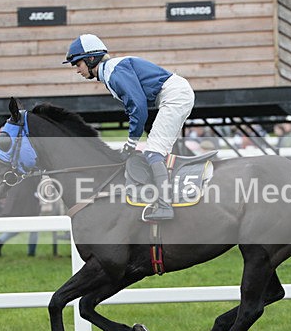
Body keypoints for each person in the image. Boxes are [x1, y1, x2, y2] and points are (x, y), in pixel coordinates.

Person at [64, 34, 194, 221]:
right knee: (157, 150)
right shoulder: (111, 71)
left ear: (90, 59)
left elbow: (138, 107)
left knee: (153, 152)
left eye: (77, 64)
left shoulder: (113, 72)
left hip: (173, 96)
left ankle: (165, 206)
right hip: (172, 95)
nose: (77, 70)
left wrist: (131, 142)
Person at [0, 175, 42, 257]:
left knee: (19, 227)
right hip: (28, 199)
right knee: (34, 228)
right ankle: (31, 252)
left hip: (18, 197)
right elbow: (35, 181)